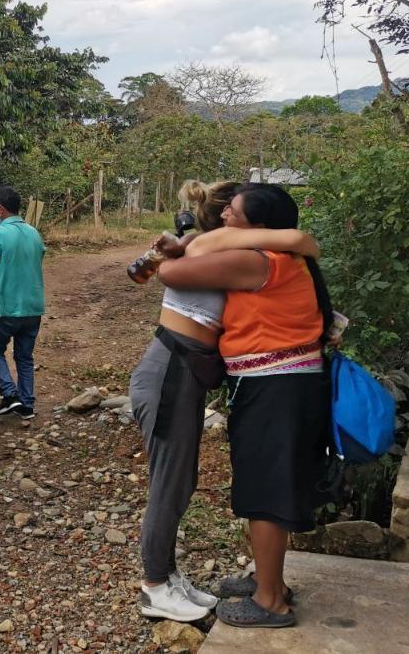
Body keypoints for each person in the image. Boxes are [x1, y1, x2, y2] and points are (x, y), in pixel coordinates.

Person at [130, 181, 321, 622]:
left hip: (188, 374)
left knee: (182, 479)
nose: (229, 217)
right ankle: (156, 585)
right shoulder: (207, 249)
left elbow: (298, 242)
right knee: (170, 481)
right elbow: (165, 273)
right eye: (228, 211)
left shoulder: (238, 254)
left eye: (237, 212)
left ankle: (167, 575)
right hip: (171, 369)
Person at [0, 185, 46, 419]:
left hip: (6, 308)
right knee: (24, 357)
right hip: (33, 307)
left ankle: (9, 394)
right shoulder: (33, 233)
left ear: (0, 208)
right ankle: (27, 405)